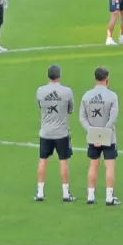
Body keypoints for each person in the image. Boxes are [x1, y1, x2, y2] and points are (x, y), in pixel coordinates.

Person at [79, 67, 121, 206]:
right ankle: (109, 197)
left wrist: (92, 133)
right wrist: (103, 134)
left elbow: (82, 118)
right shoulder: (112, 96)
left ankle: (91, 196)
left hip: (92, 137)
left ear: (95, 78)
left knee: (93, 165)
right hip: (108, 137)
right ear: (107, 79)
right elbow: (113, 118)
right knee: (109, 166)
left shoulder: (86, 96)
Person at [34, 65, 76, 202]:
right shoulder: (67, 91)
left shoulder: (40, 91)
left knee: (43, 161)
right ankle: (65, 194)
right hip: (61, 132)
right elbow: (71, 109)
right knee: (63, 161)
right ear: (59, 75)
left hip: (45, 132)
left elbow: (40, 105)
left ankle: (40, 193)